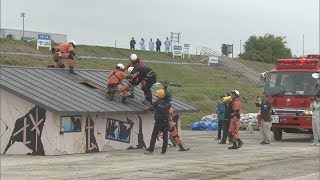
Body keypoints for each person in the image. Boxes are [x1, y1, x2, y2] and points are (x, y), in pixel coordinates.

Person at [145, 89, 172, 155]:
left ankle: (151, 151)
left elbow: (151, 108)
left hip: (158, 122)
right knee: (165, 137)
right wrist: (165, 88)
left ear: (157, 95)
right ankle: (164, 151)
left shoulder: (157, 102)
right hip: (166, 122)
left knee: (154, 136)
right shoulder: (168, 103)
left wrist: (146, 108)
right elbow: (168, 99)